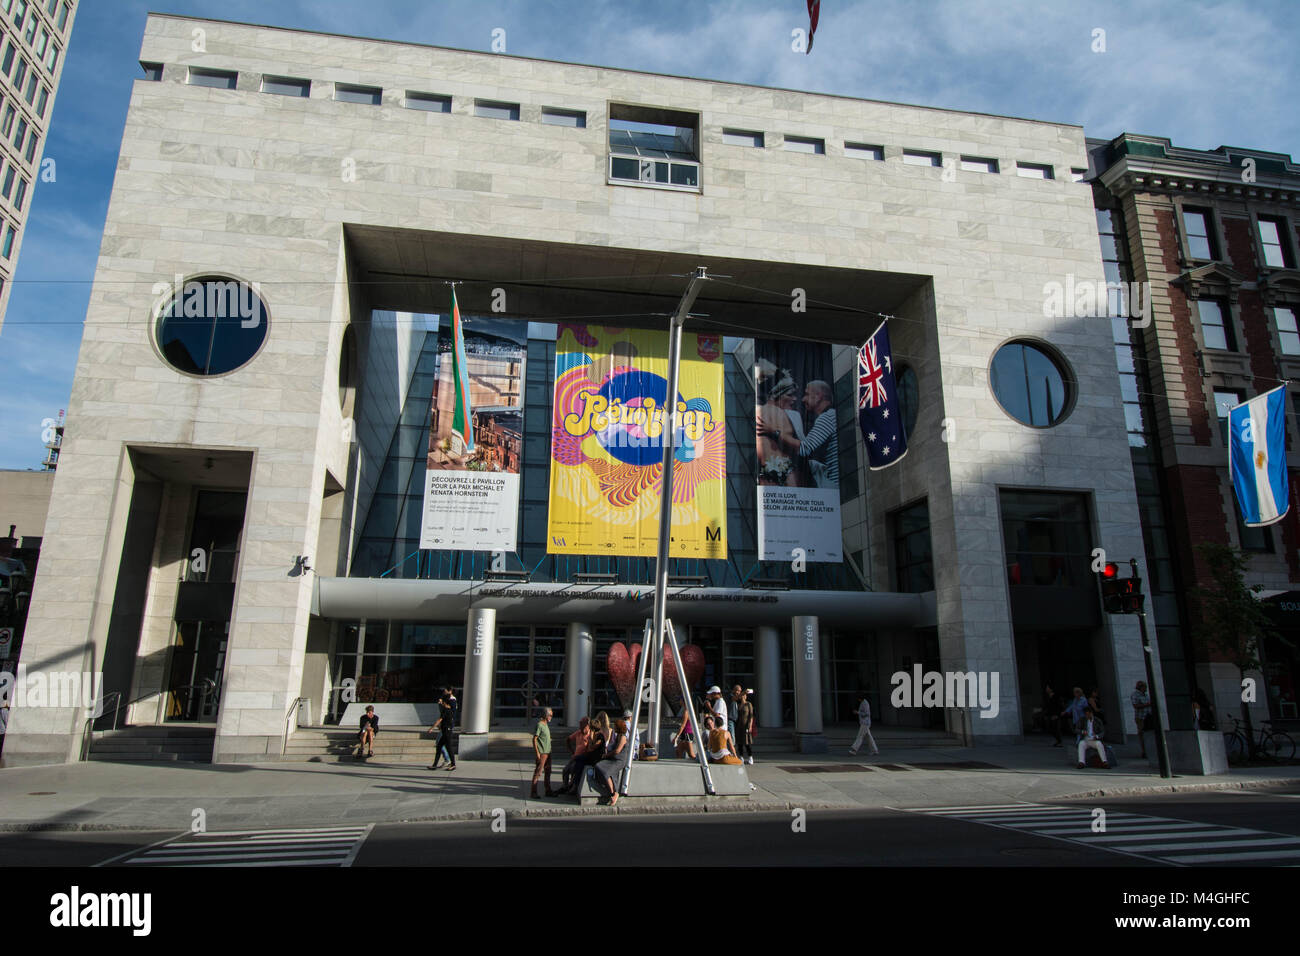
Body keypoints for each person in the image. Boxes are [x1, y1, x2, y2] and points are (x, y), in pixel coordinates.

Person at [593, 715, 628, 805]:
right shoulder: (617, 736)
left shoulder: (623, 737)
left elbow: (617, 751)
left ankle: (614, 793)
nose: (613, 727)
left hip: (619, 761)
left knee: (606, 772)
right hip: (613, 759)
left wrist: (606, 755)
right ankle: (612, 791)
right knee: (598, 766)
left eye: (615, 726)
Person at [427, 689, 457, 771]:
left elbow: (440, 719)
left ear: (445, 702)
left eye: (443, 701)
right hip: (445, 731)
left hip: (447, 731)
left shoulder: (447, 710)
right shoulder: (448, 709)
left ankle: (453, 764)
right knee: (439, 746)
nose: (442, 703)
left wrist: (432, 728)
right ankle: (435, 765)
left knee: (448, 747)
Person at [562, 716, 593, 793]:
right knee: (565, 770)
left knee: (574, 769)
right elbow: (568, 739)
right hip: (575, 757)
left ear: (587, 725)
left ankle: (574, 787)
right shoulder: (578, 732)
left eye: (582, 724)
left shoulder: (590, 735)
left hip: (582, 758)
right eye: (580, 724)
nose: (580, 726)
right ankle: (566, 786)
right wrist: (572, 751)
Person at [531, 707, 557, 798]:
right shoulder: (540, 725)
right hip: (542, 753)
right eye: (550, 715)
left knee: (548, 771)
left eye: (552, 715)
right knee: (538, 772)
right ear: (545, 715)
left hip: (548, 752)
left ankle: (548, 790)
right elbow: (534, 739)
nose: (551, 717)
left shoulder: (546, 725)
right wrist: (537, 753)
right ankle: (533, 792)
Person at [849, 691, 879, 756]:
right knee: (869, 737)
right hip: (865, 722)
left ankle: (854, 749)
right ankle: (874, 750)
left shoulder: (864, 703)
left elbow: (867, 714)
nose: (858, 699)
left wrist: (858, 712)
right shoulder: (863, 702)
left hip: (865, 723)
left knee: (860, 736)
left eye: (858, 698)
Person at [1131, 681, 1152, 758]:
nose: (1146, 689)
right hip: (1141, 717)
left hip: (1148, 716)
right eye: (1144, 687)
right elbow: (1135, 705)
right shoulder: (1135, 695)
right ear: (1141, 687)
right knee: (1142, 734)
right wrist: (1147, 705)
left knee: (1149, 733)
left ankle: (1150, 749)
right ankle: (1144, 751)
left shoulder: (1146, 694)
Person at [736, 688, 755, 764]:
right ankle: (741, 757)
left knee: (747, 742)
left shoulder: (748, 704)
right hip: (739, 725)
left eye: (745, 695)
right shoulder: (738, 705)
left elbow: (751, 715)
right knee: (739, 743)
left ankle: (750, 757)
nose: (743, 697)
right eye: (742, 695)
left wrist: (750, 725)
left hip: (746, 724)